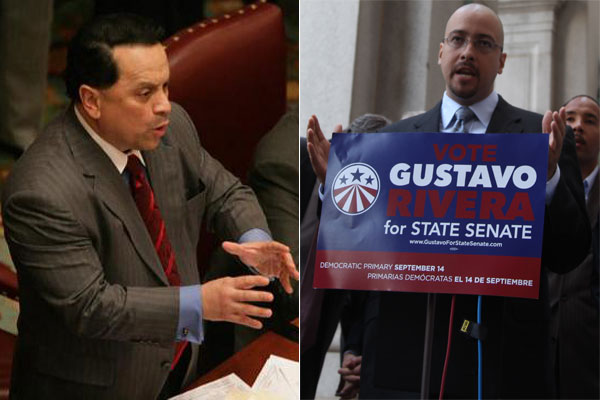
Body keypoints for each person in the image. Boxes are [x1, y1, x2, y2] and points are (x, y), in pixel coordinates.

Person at [1, 13, 298, 400]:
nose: (164, 107)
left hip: (180, 368)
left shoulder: (171, 131)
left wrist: (254, 240)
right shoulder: (40, 192)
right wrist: (200, 303)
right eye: (145, 94)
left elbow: (225, 193)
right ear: (91, 100)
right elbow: (92, 308)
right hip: (96, 386)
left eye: (165, 87)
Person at [306, 4, 590, 398]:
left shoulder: (539, 138)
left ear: (502, 60)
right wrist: (335, 191)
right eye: (458, 40)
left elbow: (570, 252)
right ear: (441, 52)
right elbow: (362, 257)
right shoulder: (394, 141)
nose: (468, 51)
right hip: (402, 362)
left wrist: (548, 180)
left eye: (484, 43)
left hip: (501, 366)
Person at [300, 114, 390, 400]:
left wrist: (353, 352)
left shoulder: (374, 222)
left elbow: (356, 299)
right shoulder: (300, 163)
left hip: (309, 347)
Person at [548, 94, 599, 399]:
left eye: (590, 120)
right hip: (535, 348)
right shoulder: (538, 188)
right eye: (570, 119)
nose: (578, 126)